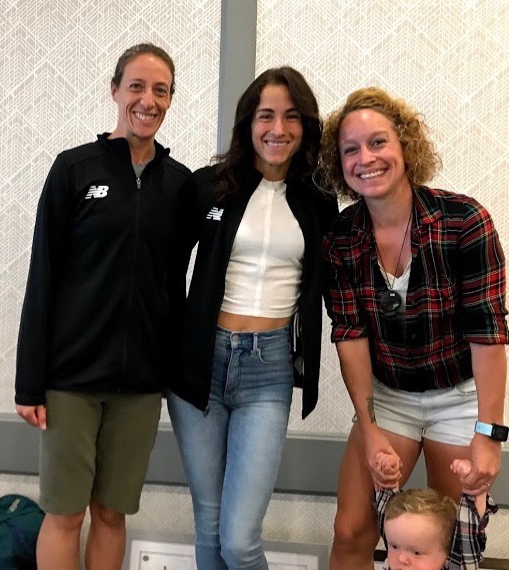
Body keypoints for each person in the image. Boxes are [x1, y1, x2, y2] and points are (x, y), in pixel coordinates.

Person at [318, 87, 509, 569]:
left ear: (405, 146)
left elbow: (488, 334)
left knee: (448, 543)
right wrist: (370, 431)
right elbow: (350, 336)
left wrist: (488, 435)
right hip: (388, 396)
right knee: (350, 530)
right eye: (350, 149)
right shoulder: (341, 237)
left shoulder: (464, 221)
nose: (366, 158)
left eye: (378, 142)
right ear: (339, 164)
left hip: (458, 397)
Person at [15, 43, 190, 570]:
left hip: (140, 384)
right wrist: (29, 382)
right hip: (70, 379)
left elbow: (175, 285)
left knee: (112, 514)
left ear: (171, 99)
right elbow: (42, 275)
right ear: (115, 91)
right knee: (65, 513)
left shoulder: (178, 185)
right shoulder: (74, 169)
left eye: (160, 90)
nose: (147, 100)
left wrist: (173, 371)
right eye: (136, 86)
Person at [167, 67, 338, 569]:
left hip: (269, 368)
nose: (277, 128)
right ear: (248, 122)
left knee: (240, 540)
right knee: (210, 523)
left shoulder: (319, 201)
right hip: (200, 361)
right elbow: (164, 271)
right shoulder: (208, 187)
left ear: (306, 125)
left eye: (291, 116)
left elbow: (339, 282)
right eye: (266, 115)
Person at [375, 453, 496, 570]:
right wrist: (387, 472)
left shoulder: (456, 565)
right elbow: (385, 508)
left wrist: (473, 486)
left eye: (416, 553)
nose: (401, 558)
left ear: (447, 553)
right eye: (394, 546)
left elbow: (469, 534)